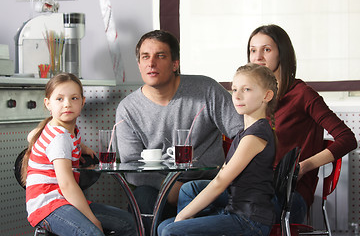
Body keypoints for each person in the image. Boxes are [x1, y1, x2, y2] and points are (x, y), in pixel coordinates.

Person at [115, 30, 243, 233]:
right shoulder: (128, 108)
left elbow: (242, 133)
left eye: (160, 56)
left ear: (175, 64)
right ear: (139, 64)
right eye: (145, 57)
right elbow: (131, 168)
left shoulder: (206, 89)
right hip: (159, 187)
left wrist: (228, 174)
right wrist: (170, 190)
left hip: (208, 184)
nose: (151, 63)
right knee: (142, 200)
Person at [247, 24, 357, 223]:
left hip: (290, 196)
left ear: (283, 53)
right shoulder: (254, 97)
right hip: (256, 188)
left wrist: (304, 166)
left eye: (267, 49)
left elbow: (347, 138)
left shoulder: (302, 94)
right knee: (192, 192)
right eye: (253, 50)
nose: (258, 57)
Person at [158, 63, 278, 236]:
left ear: (266, 95)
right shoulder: (244, 134)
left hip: (249, 221)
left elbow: (220, 182)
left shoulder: (254, 137)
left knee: (170, 230)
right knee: (164, 226)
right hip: (234, 210)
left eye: (246, 90)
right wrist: (184, 218)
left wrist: (182, 216)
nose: (237, 96)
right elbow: (223, 173)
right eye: (234, 89)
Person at [21, 73, 136, 236]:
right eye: (59, 99)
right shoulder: (59, 138)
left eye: (74, 98)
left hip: (63, 202)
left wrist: (80, 147)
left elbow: (33, 136)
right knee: (93, 233)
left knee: (128, 222)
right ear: (48, 104)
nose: (67, 104)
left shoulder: (66, 132)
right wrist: (92, 219)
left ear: (82, 102)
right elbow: (67, 185)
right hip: (48, 207)